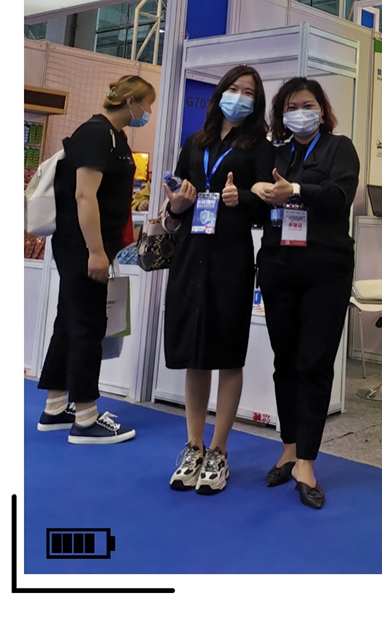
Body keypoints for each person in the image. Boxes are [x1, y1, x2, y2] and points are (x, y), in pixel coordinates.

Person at [252, 78, 360, 509]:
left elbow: (338, 196)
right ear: (281, 113)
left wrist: (295, 190)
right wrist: (254, 192)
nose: (300, 112)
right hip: (278, 268)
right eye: (292, 106)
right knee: (285, 363)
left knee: (314, 363)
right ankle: (289, 448)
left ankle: (307, 463)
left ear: (322, 109)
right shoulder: (274, 153)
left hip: (325, 272)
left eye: (308, 104)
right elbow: (255, 203)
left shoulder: (339, 148)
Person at [162, 65, 268, 494]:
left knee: (228, 351)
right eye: (233, 88)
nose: (238, 96)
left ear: (256, 103)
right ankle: (193, 445)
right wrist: (176, 206)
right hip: (190, 253)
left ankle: (219, 450)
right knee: (195, 352)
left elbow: (267, 205)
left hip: (231, 256)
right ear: (220, 92)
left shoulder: (259, 147)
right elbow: (173, 204)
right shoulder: (195, 143)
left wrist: (243, 198)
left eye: (248, 92)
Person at [37, 75, 156, 444]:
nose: (148, 112)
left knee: (69, 320)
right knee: (87, 324)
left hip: (87, 245)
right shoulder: (95, 134)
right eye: (147, 104)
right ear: (131, 102)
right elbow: (84, 196)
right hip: (82, 245)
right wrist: (96, 251)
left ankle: (56, 406)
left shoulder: (114, 137)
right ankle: (86, 415)